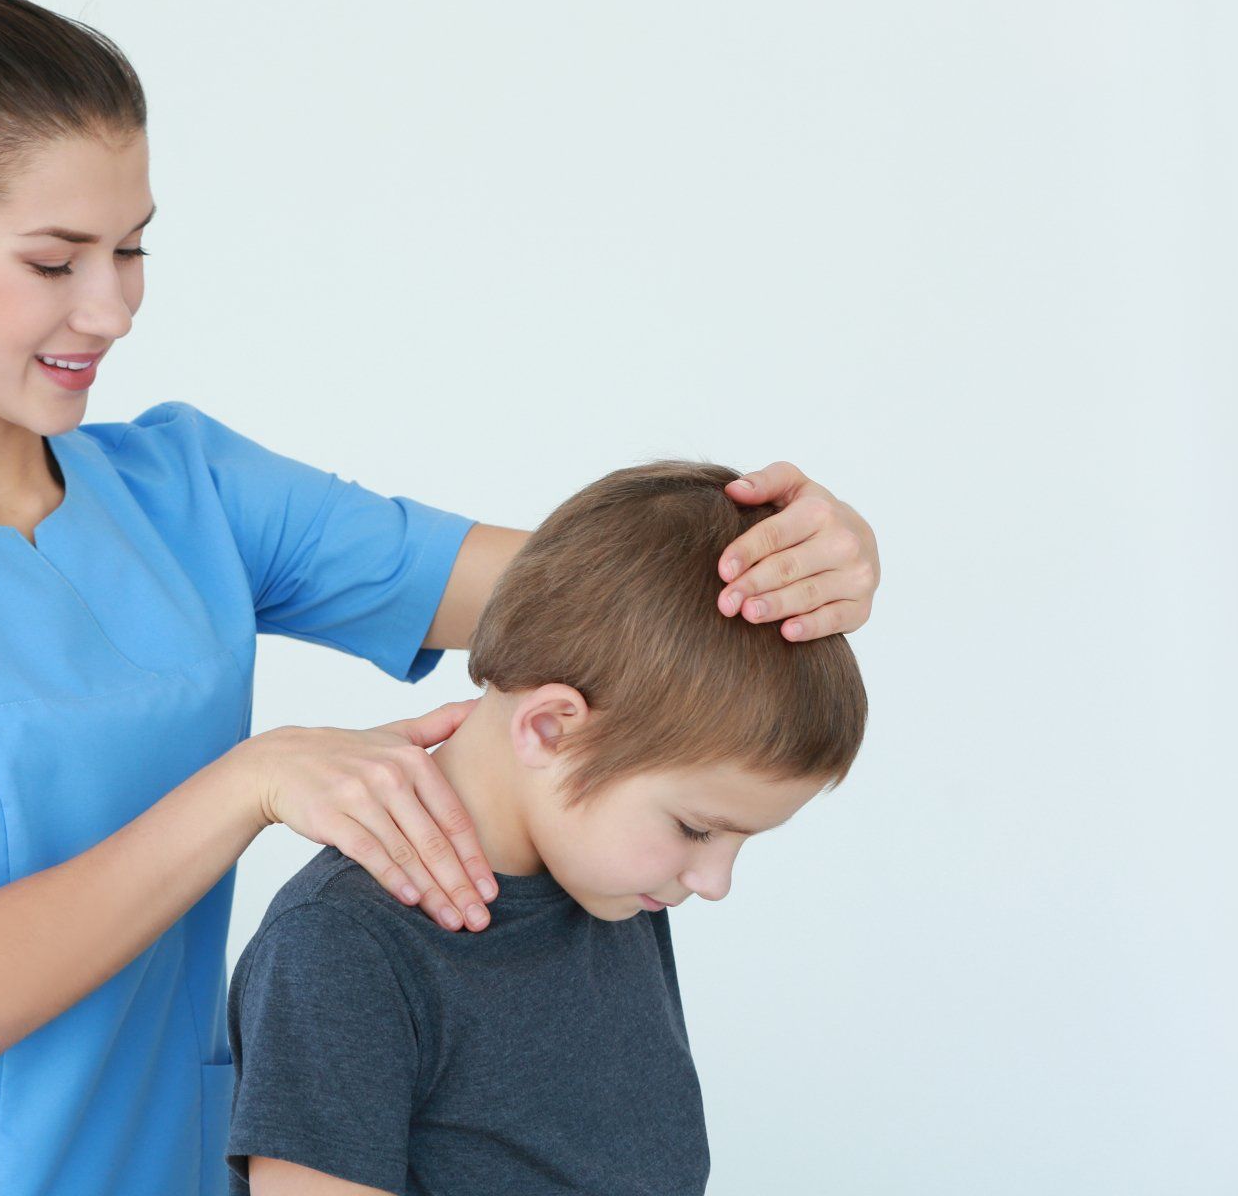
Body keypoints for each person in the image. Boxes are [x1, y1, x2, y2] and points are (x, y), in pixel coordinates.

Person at [0, 0, 882, 1196]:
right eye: (56, 259)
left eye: (132, 247)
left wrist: (783, 559)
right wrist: (252, 781)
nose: (114, 305)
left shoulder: (188, 490)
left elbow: (590, 605)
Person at [224, 460, 869, 1196]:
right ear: (552, 730)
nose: (715, 883)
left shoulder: (608, 885)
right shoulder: (341, 948)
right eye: (697, 830)